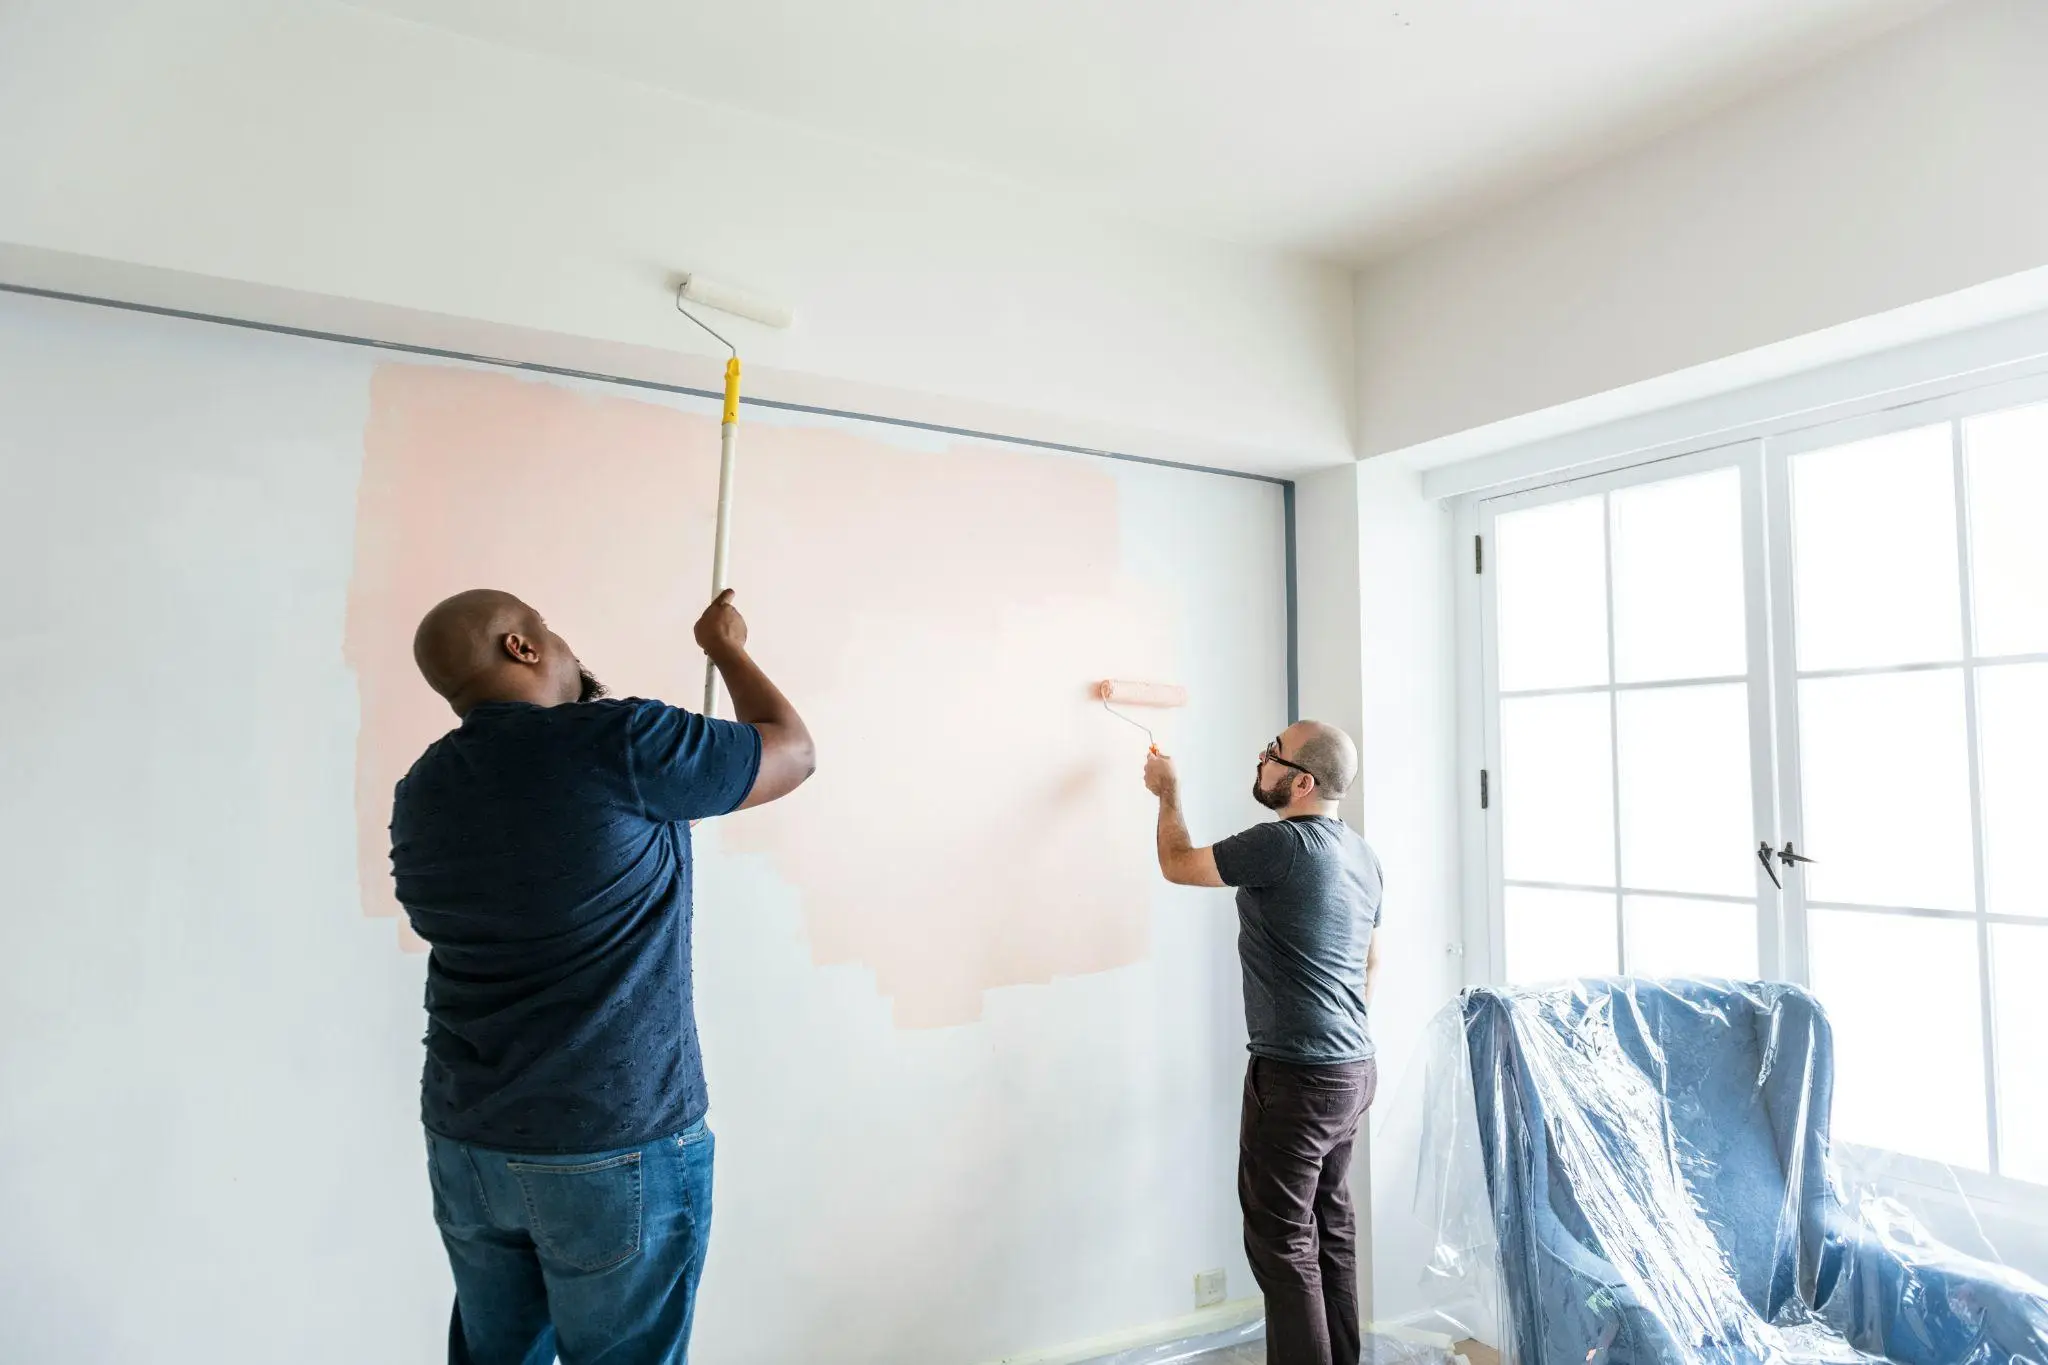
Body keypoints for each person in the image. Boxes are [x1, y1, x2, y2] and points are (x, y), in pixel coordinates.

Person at [391, 587, 814, 1365]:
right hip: (610, 1140)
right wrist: (727, 647)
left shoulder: (425, 789)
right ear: (521, 647)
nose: (560, 644)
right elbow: (790, 749)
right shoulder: (614, 740)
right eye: (548, 631)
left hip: (469, 1140)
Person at [1143, 722, 1383, 1365]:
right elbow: (1370, 963)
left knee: (1281, 1243)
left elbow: (1177, 865)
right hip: (1353, 1068)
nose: (1262, 758)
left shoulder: (1279, 844)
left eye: (1272, 754)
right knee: (1328, 1228)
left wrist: (1168, 793)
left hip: (1299, 1077)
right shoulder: (1361, 853)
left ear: (1301, 781)